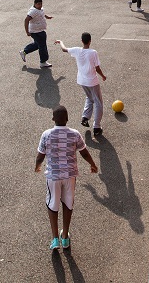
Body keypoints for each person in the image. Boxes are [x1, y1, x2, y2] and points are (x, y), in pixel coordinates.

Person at [35, 105, 99, 251]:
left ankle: (55, 239)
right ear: (67, 119)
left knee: (52, 204)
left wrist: (37, 166)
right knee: (68, 203)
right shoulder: (75, 134)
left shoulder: (46, 134)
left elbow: (40, 155)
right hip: (70, 176)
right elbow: (84, 153)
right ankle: (65, 238)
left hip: (53, 176)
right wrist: (93, 164)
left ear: (53, 118)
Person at [56, 33, 108, 137]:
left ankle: (85, 117)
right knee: (98, 103)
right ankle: (96, 127)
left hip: (82, 81)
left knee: (89, 98)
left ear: (81, 41)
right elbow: (97, 68)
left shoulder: (77, 50)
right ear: (90, 41)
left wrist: (60, 42)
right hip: (92, 81)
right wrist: (103, 76)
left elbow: (64, 49)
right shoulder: (93, 52)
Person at [21, 0, 53, 67]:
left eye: (41, 4)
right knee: (42, 46)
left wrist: (47, 17)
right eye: (38, 4)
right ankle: (43, 62)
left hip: (40, 30)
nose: (40, 5)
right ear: (34, 4)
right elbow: (26, 20)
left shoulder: (40, 9)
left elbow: (42, 13)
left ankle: (24, 52)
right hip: (36, 32)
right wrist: (27, 32)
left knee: (37, 44)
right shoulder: (33, 11)